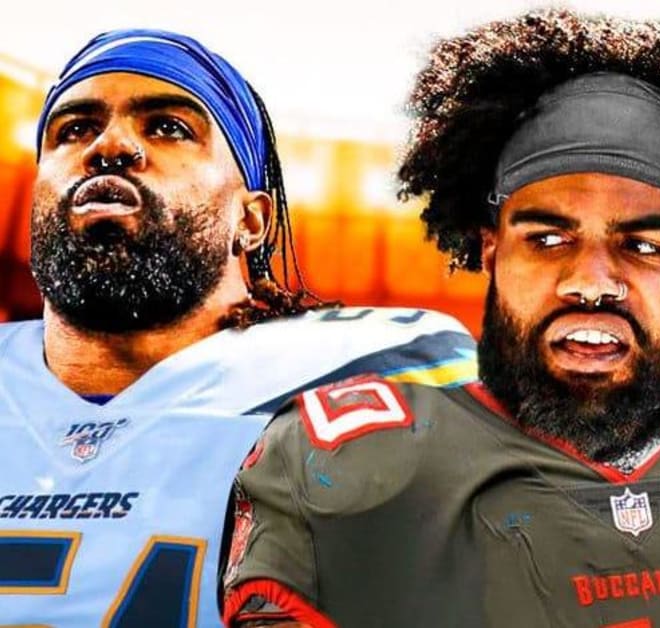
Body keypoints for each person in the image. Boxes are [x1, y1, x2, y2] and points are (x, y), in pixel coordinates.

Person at [221, 10, 660, 628]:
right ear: (491, 252)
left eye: (645, 245)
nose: (592, 280)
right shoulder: (347, 462)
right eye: (549, 238)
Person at [0, 29, 476, 626]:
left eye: (168, 127)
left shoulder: (383, 361)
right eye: (73, 129)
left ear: (251, 221)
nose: (110, 144)